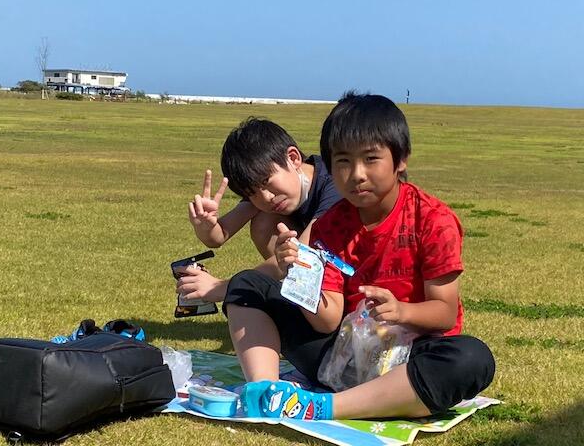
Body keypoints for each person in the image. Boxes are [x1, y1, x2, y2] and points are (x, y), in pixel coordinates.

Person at [225, 93, 495, 420]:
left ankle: (322, 407)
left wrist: (402, 311)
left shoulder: (432, 220)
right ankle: (267, 393)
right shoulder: (329, 225)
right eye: (343, 161)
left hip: (409, 356)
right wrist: (298, 275)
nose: (356, 174)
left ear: (400, 159)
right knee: (247, 284)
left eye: (370, 159)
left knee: (471, 358)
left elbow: (445, 313)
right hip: (343, 354)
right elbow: (327, 320)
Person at [178, 117, 341, 302]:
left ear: (293, 158)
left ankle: (311, 299)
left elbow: (301, 254)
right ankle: (299, 295)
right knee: (264, 220)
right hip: (321, 269)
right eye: (252, 193)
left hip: (356, 283)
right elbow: (218, 236)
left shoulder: (335, 184)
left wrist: (225, 287)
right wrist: (205, 226)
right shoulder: (268, 194)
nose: (266, 197)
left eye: (266, 181)